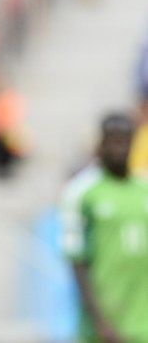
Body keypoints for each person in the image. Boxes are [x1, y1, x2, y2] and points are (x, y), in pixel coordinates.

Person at [60, 113, 148, 342]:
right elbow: (76, 260)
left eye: (125, 141)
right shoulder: (81, 192)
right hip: (104, 325)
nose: (120, 149)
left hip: (143, 321)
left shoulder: (144, 188)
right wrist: (99, 322)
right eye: (114, 142)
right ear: (101, 144)